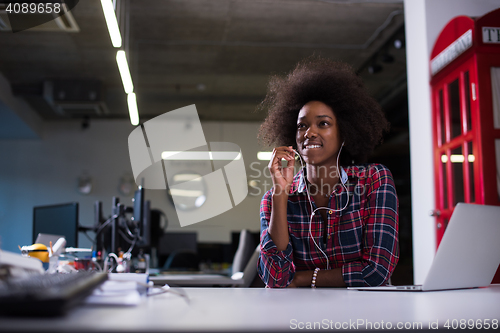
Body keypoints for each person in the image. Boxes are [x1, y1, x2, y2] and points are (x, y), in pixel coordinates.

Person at [257, 57, 399, 288]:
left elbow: (377, 270)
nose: (309, 133)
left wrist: (303, 278)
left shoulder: (374, 180)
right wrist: (281, 195)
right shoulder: (272, 201)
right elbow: (276, 278)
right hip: (301, 319)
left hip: (366, 316)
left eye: (323, 123)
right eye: (302, 125)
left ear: (344, 133)